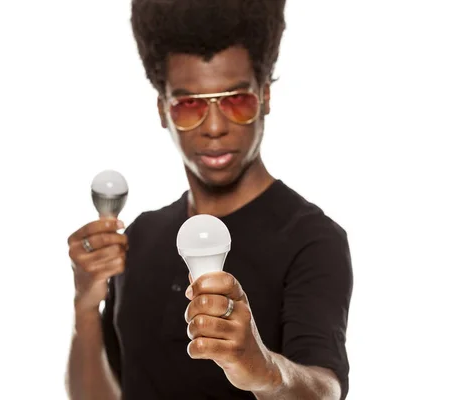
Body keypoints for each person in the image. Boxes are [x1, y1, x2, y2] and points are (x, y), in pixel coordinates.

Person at [66, 0, 353, 399]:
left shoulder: (311, 237)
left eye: (236, 101)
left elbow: (325, 390)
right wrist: (85, 306)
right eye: (189, 106)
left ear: (265, 97)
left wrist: (264, 370)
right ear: (163, 110)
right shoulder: (141, 236)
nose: (214, 127)